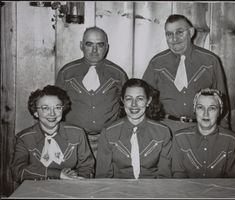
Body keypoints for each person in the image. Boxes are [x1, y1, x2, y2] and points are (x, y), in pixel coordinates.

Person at [142, 14, 229, 133]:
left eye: (179, 32)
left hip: (200, 131)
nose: (174, 39)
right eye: (169, 34)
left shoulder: (210, 61)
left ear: (191, 32)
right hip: (165, 131)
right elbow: (143, 99)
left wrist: (222, 135)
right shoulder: (157, 63)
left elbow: (222, 102)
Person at [55, 26, 128, 158]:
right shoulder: (67, 72)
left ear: (107, 47)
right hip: (74, 140)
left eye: (100, 45)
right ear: (81, 45)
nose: (94, 50)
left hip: (108, 140)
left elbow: (126, 106)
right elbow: (56, 105)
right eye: (89, 44)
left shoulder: (117, 74)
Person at [11, 85, 95, 184]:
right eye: (45, 108)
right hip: (36, 188)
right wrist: (58, 174)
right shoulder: (24, 138)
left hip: (70, 186)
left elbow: (87, 167)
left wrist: (77, 181)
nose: (52, 114)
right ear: (35, 112)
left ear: (62, 110)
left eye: (57, 108)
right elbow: (17, 172)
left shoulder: (77, 133)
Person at [95, 78, 172, 178]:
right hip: (118, 189)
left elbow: (164, 176)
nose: (134, 104)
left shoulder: (163, 132)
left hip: (152, 189)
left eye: (140, 99)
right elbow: (103, 176)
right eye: (129, 98)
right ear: (122, 101)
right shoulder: (109, 132)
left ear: (148, 101)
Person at [171, 88, 235, 178]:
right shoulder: (180, 138)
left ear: (220, 111)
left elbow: (233, 181)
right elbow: (178, 176)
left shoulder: (233, 141)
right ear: (194, 110)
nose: (205, 114)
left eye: (212, 108)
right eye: (200, 107)